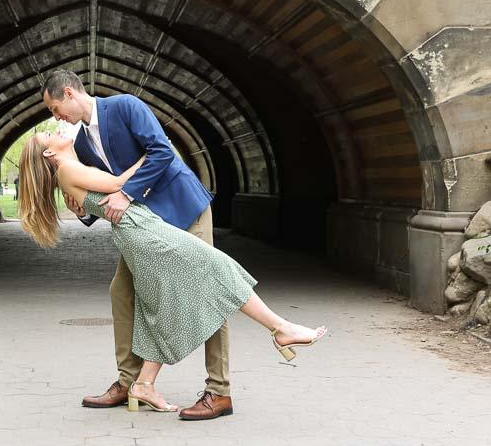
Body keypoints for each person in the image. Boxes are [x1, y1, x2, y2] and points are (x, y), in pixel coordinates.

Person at [17, 128, 326, 413]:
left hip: (141, 230)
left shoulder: (72, 167)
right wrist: (151, 154)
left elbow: (97, 197)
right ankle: (281, 329)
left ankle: (143, 384)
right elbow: (116, 185)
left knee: (163, 306)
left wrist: (84, 206)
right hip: (144, 232)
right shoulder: (68, 169)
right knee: (218, 267)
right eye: (48, 135)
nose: (56, 128)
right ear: (47, 153)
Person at [41, 70, 232, 419]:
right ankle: (129, 382)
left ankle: (219, 391)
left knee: (209, 287)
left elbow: (161, 152)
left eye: (55, 108)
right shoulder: (81, 143)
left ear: (69, 93)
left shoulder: (126, 106)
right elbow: (102, 193)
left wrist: (127, 194)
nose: (56, 118)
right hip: (146, 228)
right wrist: (81, 209)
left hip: (183, 207)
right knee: (122, 292)